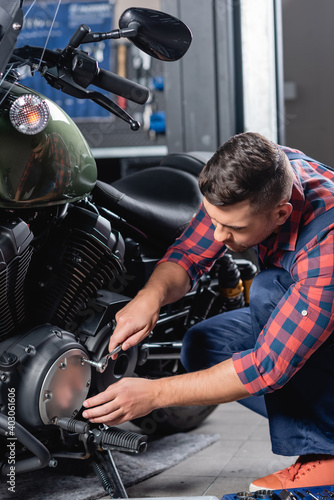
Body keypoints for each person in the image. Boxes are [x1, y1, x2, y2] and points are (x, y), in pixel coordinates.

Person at [82, 132, 334, 489]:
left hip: (325, 310)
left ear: (281, 213)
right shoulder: (261, 173)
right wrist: (147, 298)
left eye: (232, 228)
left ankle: (324, 455)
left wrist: (154, 394)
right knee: (203, 345)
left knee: (268, 290)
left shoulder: (327, 242)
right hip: (317, 317)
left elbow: (266, 367)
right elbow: (188, 254)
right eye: (214, 220)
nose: (217, 237)